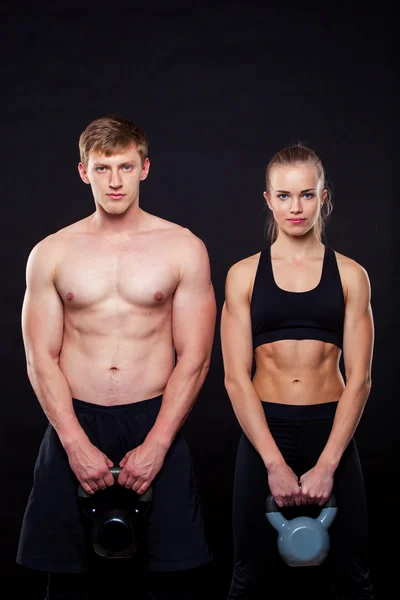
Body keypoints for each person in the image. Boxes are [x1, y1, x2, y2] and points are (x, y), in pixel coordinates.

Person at [17, 114, 216, 599]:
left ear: (144, 168)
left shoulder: (183, 247)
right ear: (83, 172)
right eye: (102, 168)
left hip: (155, 417)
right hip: (74, 419)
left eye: (125, 167)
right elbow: (39, 357)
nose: (115, 181)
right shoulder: (51, 252)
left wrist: (158, 444)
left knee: (172, 584)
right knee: (66, 588)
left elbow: (196, 358)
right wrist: (73, 442)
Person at [220, 144, 375, 599]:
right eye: (284, 196)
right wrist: (272, 462)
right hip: (264, 431)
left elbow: (360, 378)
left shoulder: (351, 275)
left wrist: (328, 464)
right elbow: (235, 377)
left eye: (307, 195)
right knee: (249, 575)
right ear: (268, 199)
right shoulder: (243, 275)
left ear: (324, 197)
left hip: (332, 430)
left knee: (354, 576)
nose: (296, 207)